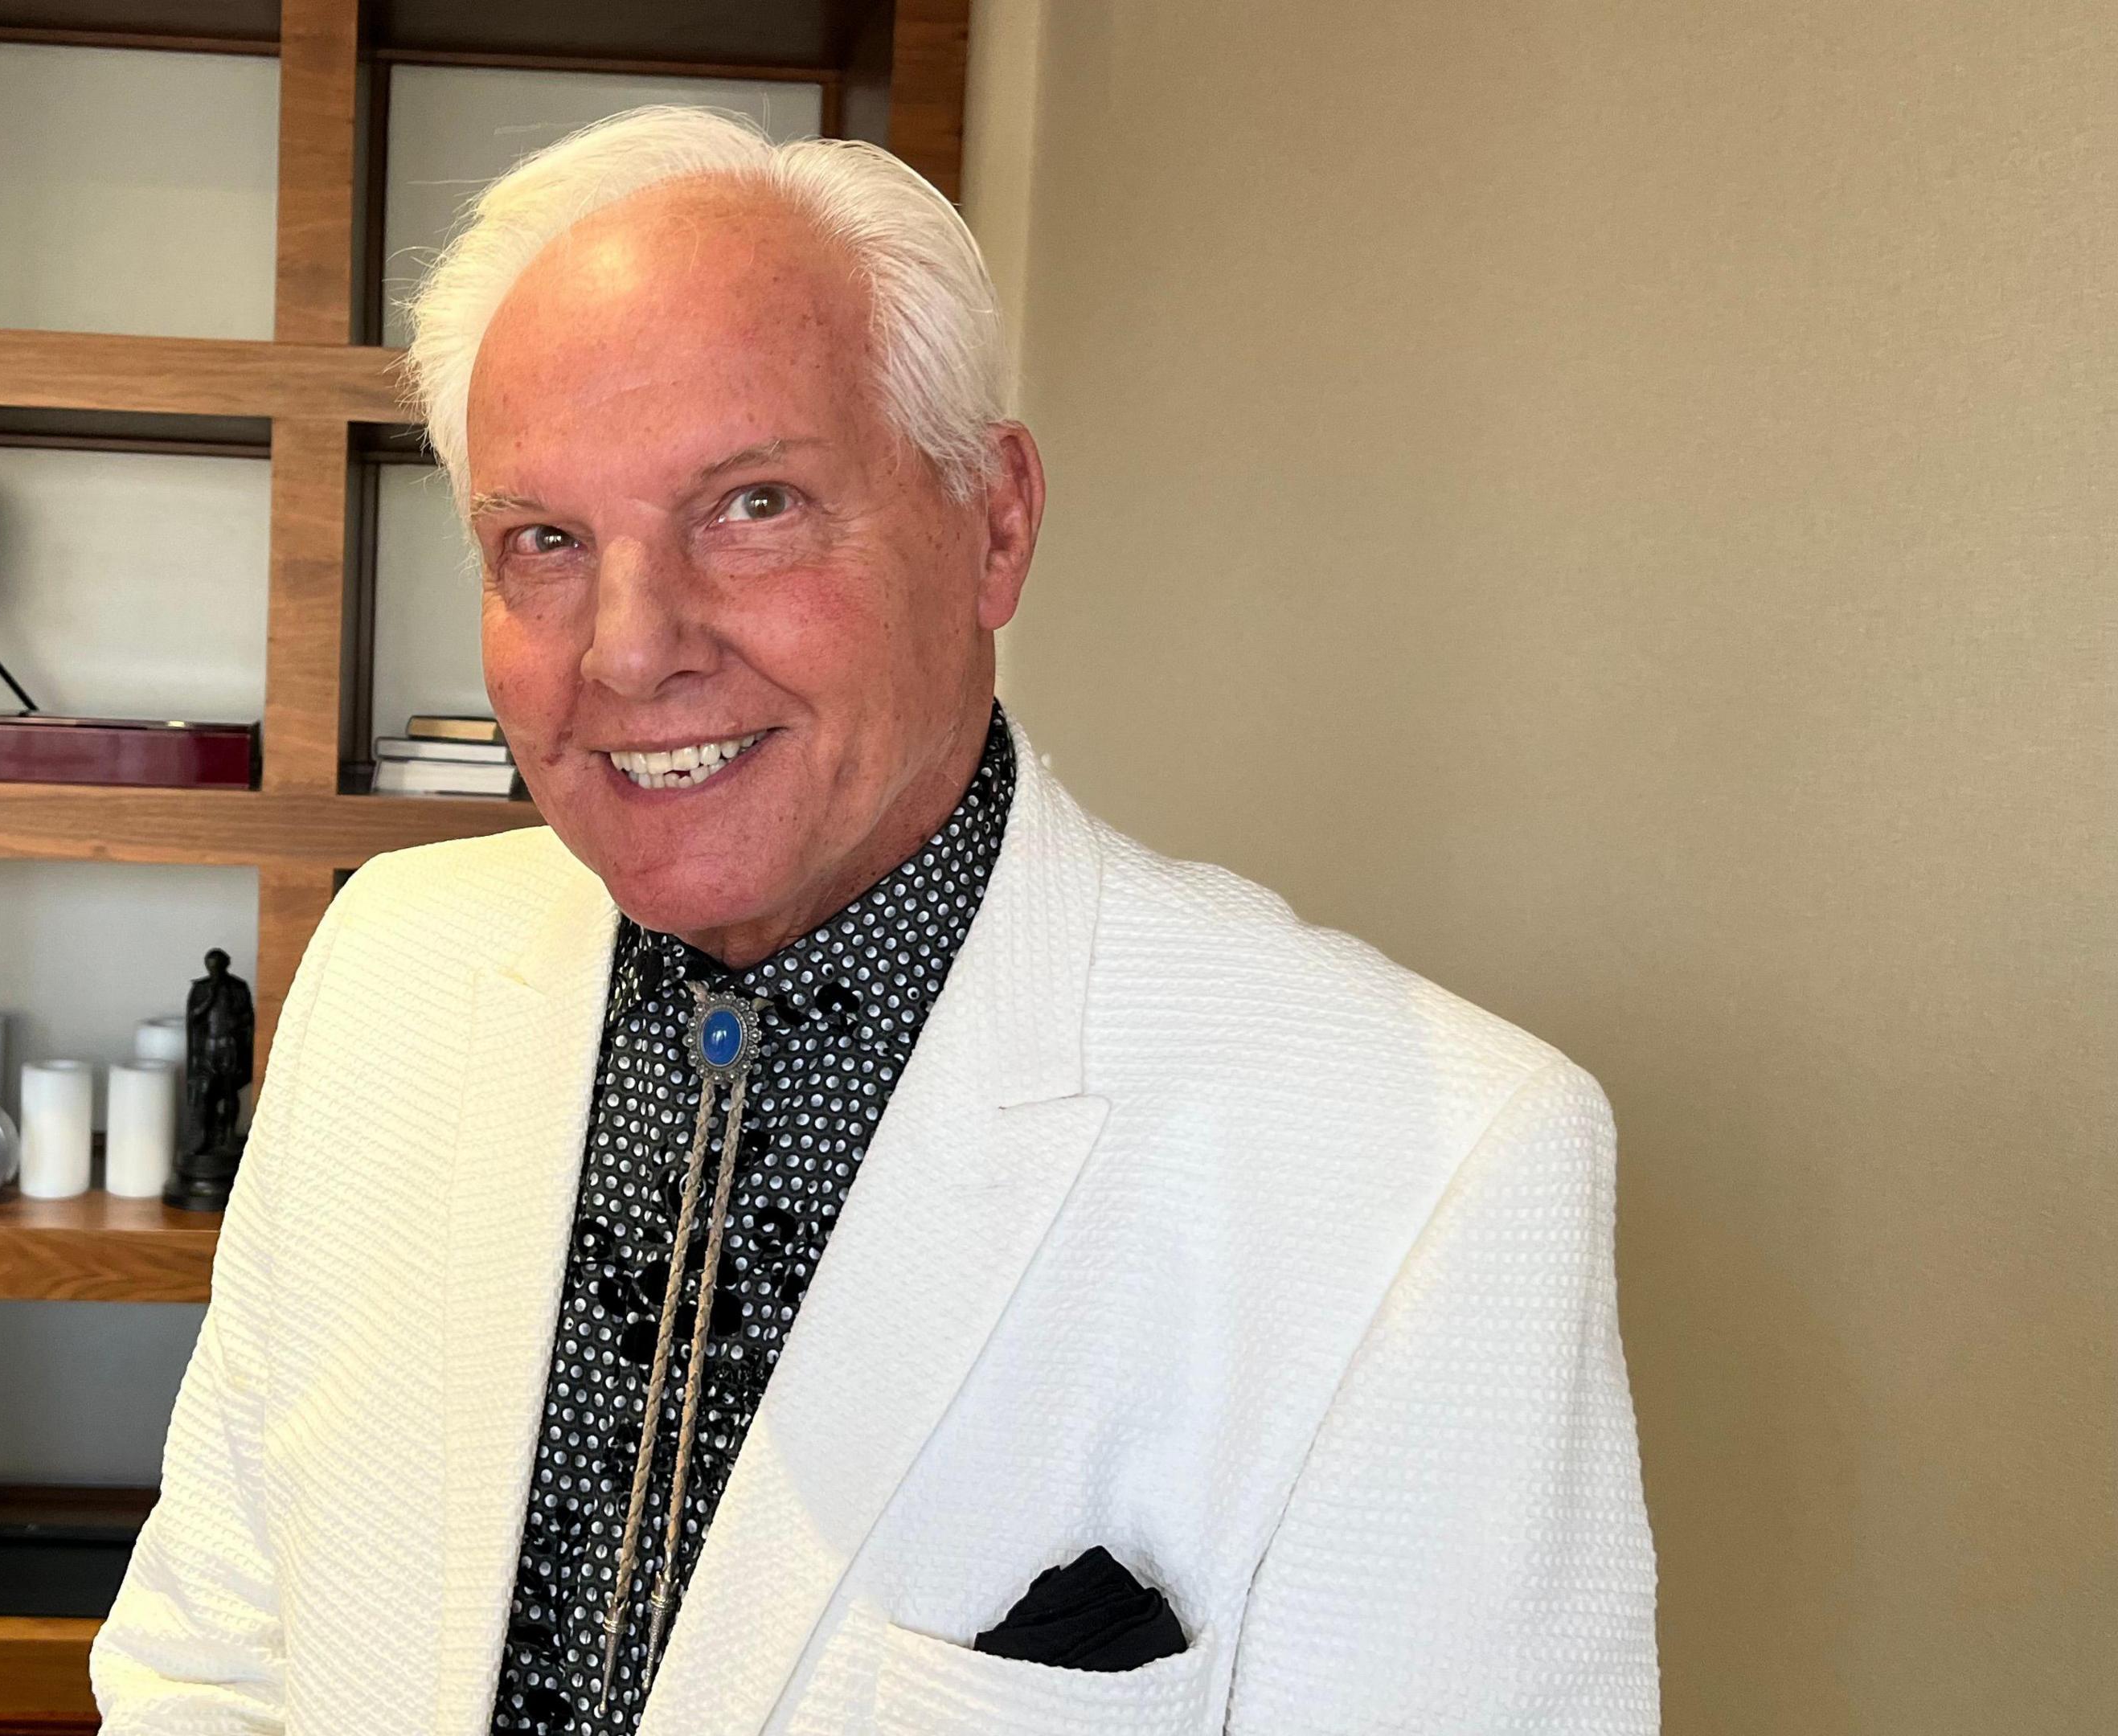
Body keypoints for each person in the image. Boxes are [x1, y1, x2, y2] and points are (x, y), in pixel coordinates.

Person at [92, 108, 1656, 1735]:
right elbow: (212, 1660)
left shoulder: (1433, 1164)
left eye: (752, 504)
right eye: (544, 541)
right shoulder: (388, 965)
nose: (630, 652)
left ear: (993, 525)